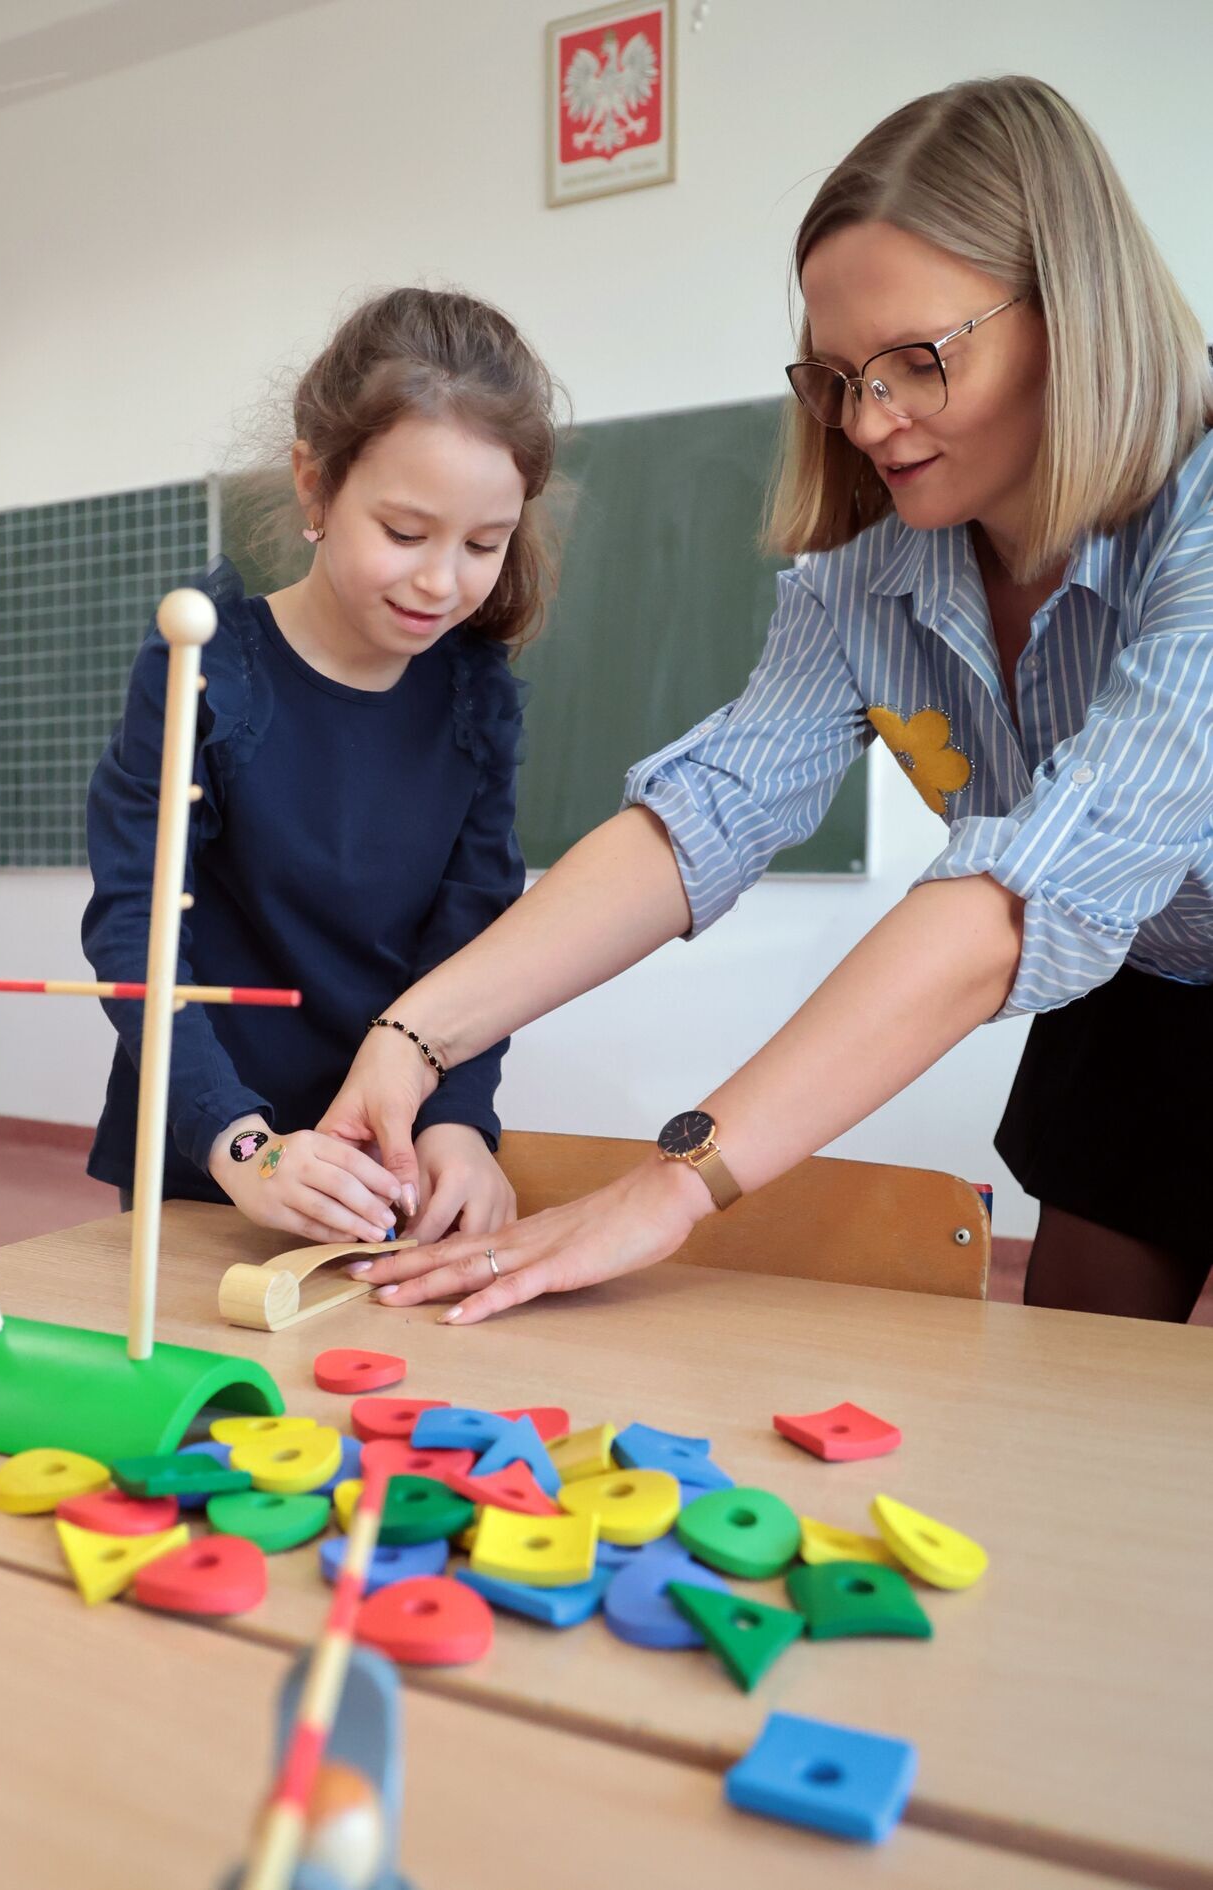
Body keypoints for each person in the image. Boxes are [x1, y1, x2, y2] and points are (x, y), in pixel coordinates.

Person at [318, 76, 1213, 1324]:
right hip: (1146, 988)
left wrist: (674, 1184)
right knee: (1082, 1379)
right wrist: (414, 1035)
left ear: (1074, 314)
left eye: (917, 362)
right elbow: (707, 816)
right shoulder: (868, 581)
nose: (871, 422)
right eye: (839, 377)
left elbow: (1025, 891)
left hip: (1107, 931)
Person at [83, 287, 561, 1249]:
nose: (442, 581)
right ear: (315, 486)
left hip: (390, 1163)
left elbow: (473, 936)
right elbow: (136, 926)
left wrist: (457, 1122)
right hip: (212, 1159)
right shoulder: (205, 666)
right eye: (405, 533)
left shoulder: (475, 697)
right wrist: (243, 1146)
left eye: (484, 543)